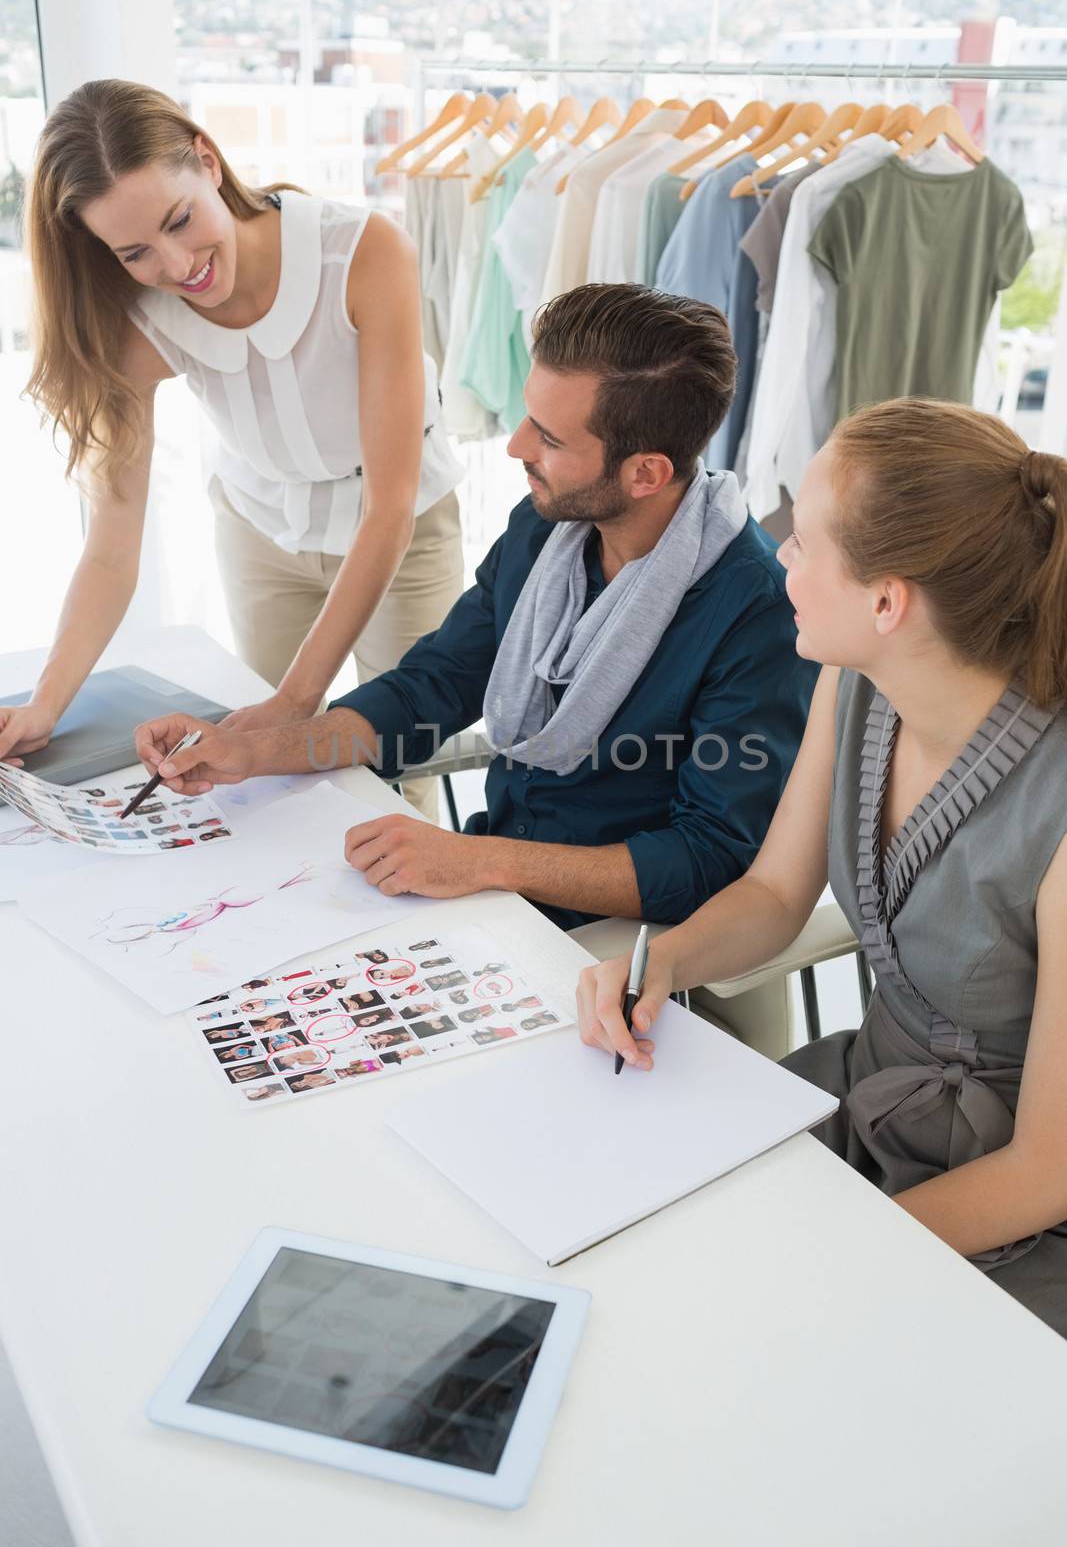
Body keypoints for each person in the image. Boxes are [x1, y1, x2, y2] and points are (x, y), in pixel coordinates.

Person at [576, 398, 1067, 1338]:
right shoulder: (858, 678)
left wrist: (835, 1251)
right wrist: (662, 964)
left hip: (1008, 1203)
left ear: (887, 602)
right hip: (865, 1104)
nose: (780, 558)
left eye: (801, 541)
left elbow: (1045, 1170)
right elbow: (771, 893)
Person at [135, 283, 816, 932]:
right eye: (527, 418)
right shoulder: (542, 531)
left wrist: (478, 860)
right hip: (499, 902)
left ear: (646, 474)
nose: (516, 445)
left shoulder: (755, 613)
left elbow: (708, 860)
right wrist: (250, 751)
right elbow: (428, 689)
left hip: (615, 945)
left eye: (549, 439)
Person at [1, 78, 463, 821]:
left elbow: (390, 505)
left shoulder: (363, 252)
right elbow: (112, 551)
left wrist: (296, 702)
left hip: (398, 533)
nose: (179, 266)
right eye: (134, 253)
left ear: (208, 160)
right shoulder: (138, 323)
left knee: (399, 768)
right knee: (262, 784)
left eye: (180, 220)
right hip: (260, 529)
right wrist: (44, 706)